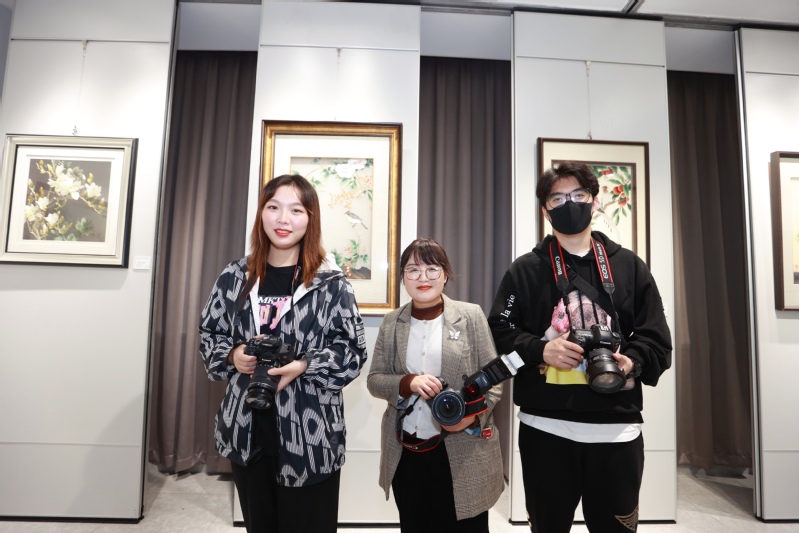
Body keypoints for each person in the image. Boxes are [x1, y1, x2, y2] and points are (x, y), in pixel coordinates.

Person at [488, 161, 672, 533]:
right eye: (557, 198)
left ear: (595, 201)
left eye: (578, 195)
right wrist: (541, 350)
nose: (569, 204)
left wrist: (629, 362)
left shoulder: (630, 267)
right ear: (545, 210)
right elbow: (500, 330)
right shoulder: (524, 270)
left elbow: (656, 338)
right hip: (545, 427)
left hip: (616, 429)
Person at [199, 174, 367, 533]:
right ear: (261, 213)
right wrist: (233, 355)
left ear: (310, 219)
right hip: (247, 429)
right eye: (273, 207)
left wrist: (304, 365)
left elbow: (351, 352)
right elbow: (210, 335)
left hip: (311, 434)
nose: (283, 219)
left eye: (296, 210)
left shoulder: (330, 284)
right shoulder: (236, 276)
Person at [367, 238, 505, 533]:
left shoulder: (470, 316)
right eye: (413, 270)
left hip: (463, 449)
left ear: (445, 274)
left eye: (432, 269)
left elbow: (493, 383)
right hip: (407, 449)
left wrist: (470, 418)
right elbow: (375, 380)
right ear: (403, 277)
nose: (423, 277)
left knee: (466, 526)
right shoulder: (392, 323)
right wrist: (407, 382)